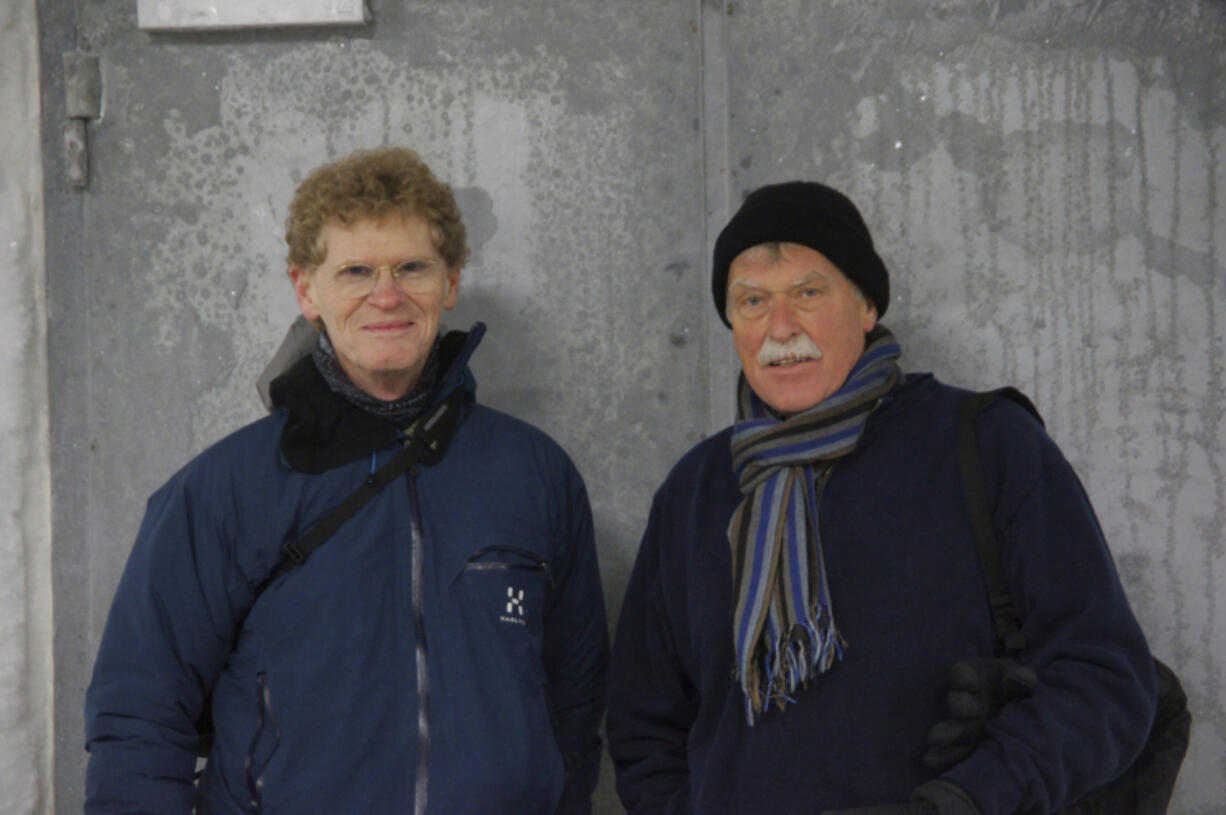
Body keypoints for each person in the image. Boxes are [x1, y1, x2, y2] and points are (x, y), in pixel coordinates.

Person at [84, 147, 609, 814]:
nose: (385, 295)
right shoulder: (221, 491)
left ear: (449, 282)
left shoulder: (536, 475)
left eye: (411, 267)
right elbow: (138, 714)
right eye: (356, 270)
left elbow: (575, 701)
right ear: (308, 290)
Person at [606, 181, 1156, 815]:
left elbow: (1106, 680)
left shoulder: (988, 446)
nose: (781, 328)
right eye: (753, 301)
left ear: (866, 305)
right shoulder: (695, 490)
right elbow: (644, 724)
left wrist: (973, 797)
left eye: (808, 293)